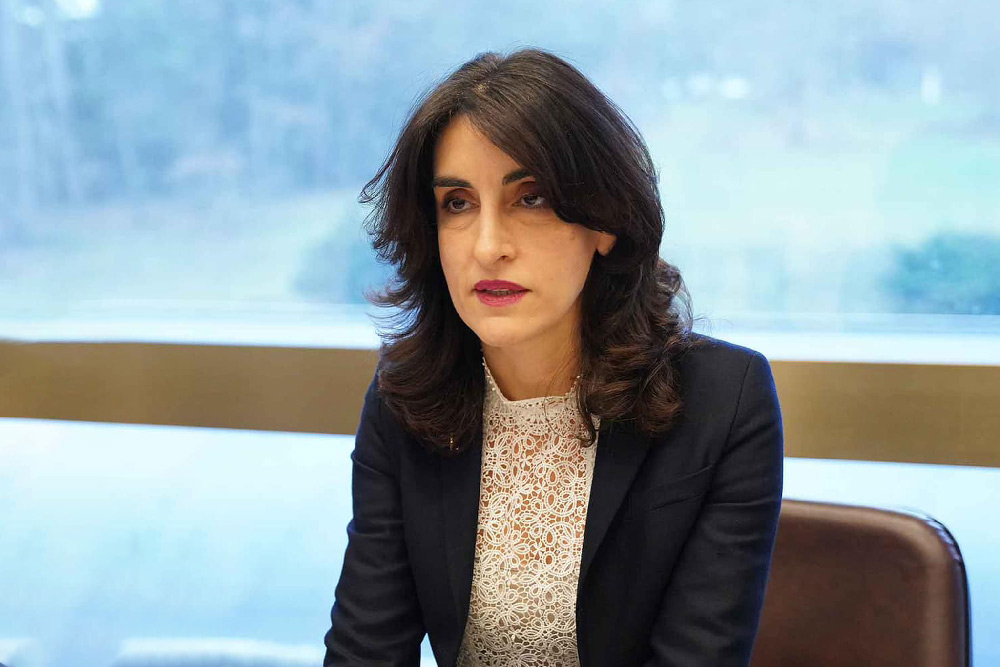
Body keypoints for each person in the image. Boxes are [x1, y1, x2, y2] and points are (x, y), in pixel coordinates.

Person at [323, 48, 783, 667]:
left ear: (605, 223)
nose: (488, 247)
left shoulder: (724, 400)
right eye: (457, 203)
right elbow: (365, 651)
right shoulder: (406, 397)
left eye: (531, 198)